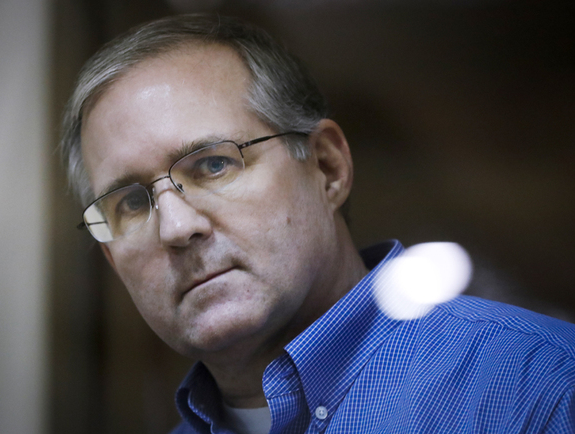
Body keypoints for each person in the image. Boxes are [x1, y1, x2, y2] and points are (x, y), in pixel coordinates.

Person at [61, 14, 575, 434]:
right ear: (111, 257)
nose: (175, 228)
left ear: (328, 168)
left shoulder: (539, 389)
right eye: (130, 203)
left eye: (214, 165)